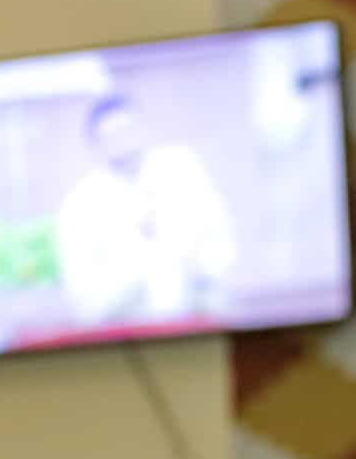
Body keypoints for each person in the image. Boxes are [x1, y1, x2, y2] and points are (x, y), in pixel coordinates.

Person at [55, 94, 238, 327]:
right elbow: (83, 301)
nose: (122, 143)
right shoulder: (81, 206)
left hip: (197, 322)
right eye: (111, 137)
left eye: (127, 131)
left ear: (142, 130)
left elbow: (221, 245)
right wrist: (139, 263)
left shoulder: (185, 171)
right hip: (128, 333)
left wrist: (190, 262)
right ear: (96, 145)